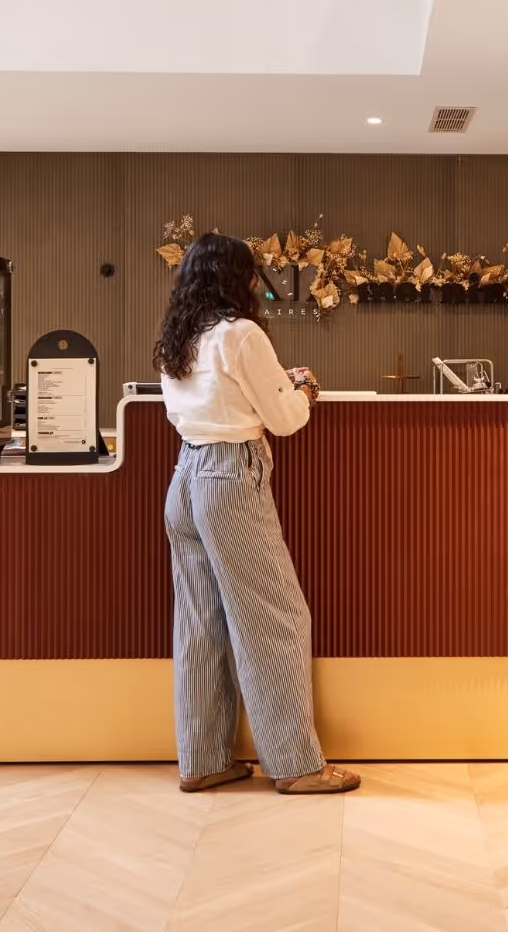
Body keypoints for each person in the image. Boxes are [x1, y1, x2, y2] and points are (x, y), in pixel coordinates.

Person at [153, 233, 360, 796]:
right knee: (276, 617)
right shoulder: (240, 333)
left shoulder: (179, 335)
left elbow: (197, 408)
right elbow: (286, 420)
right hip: (229, 480)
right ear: (239, 278)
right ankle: (295, 765)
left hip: (185, 478)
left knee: (199, 623)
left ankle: (202, 760)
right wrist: (305, 388)